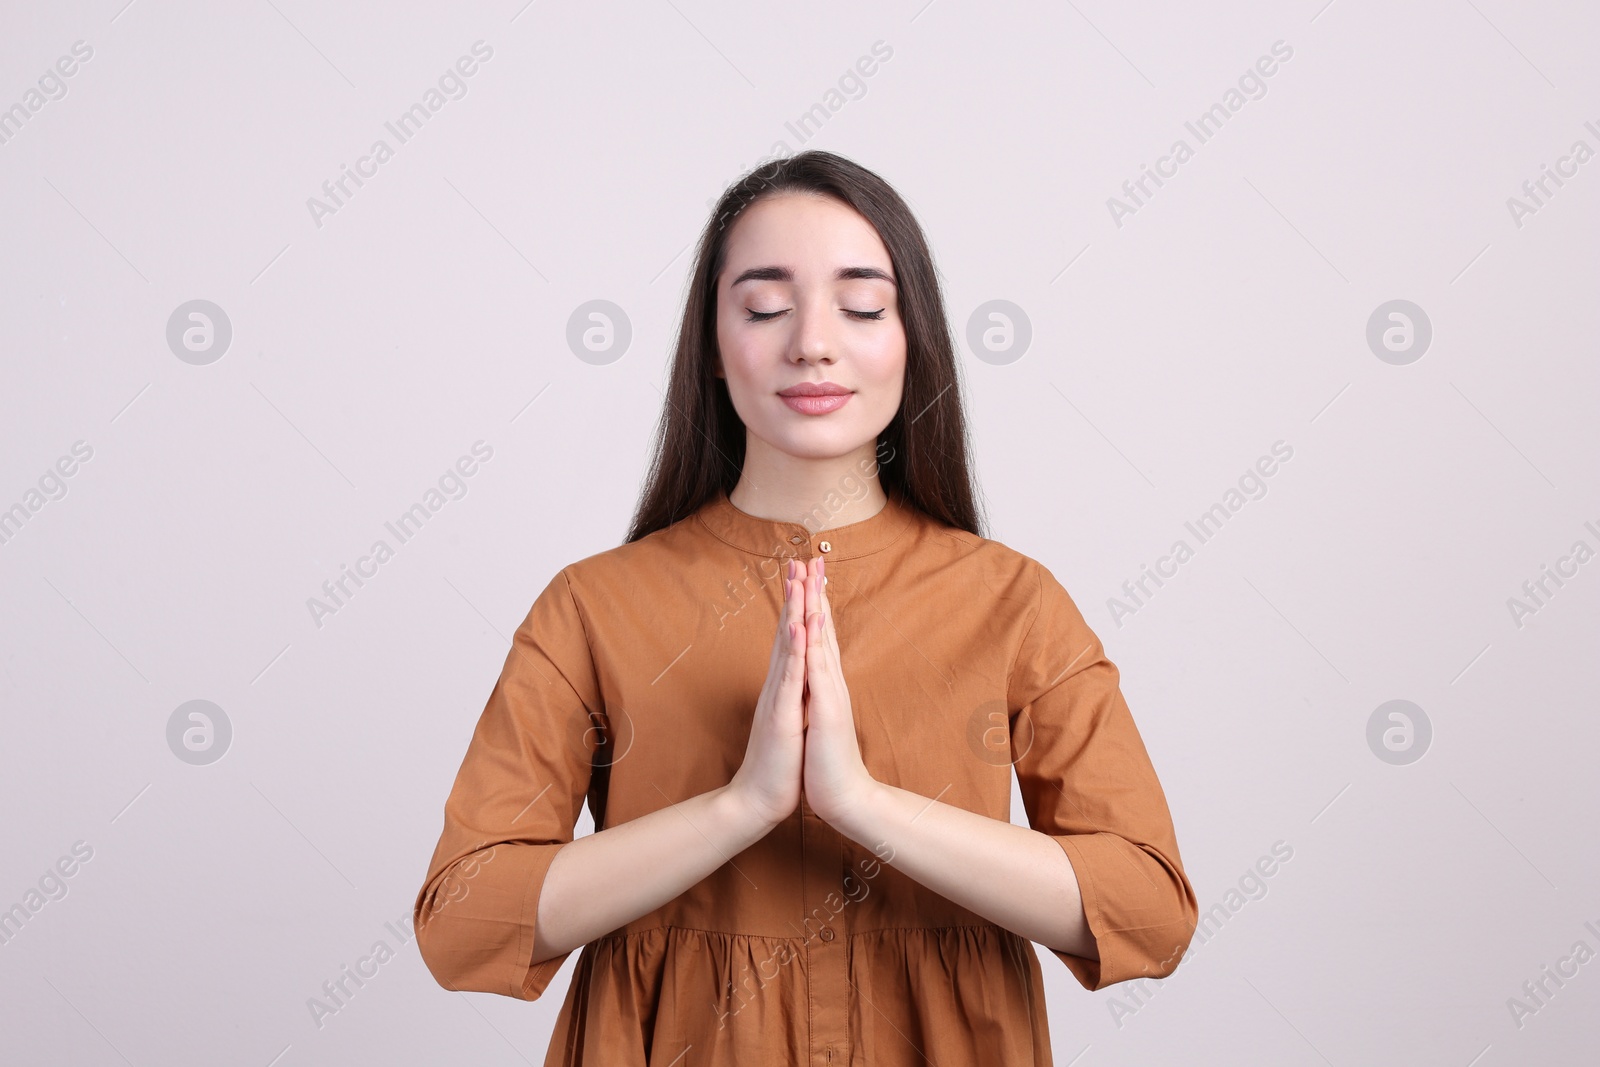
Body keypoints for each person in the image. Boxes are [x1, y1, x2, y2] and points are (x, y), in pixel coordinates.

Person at [413, 150, 1197, 1066]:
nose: (812, 343)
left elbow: (1150, 911)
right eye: (765, 306)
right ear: (711, 341)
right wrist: (739, 806)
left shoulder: (1014, 603)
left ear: (913, 337)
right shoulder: (592, 607)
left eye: (862, 306)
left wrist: (863, 804)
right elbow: (462, 923)